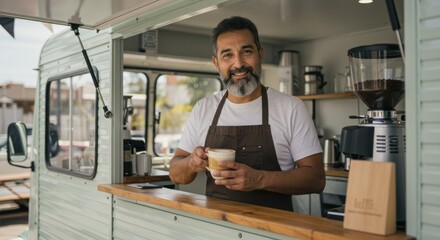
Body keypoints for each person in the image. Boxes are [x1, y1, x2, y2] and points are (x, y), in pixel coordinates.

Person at [169, 16, 325, 211]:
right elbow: (176, 174)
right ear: (216, 63)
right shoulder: (203, 109)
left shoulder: (291, 108)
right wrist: (191, 163)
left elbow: (316, 179)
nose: (238, 64)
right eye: (228, 55)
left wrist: (259, 179)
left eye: (247, 51)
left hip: (272, 230)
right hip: (216, 229)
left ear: (260, 54)